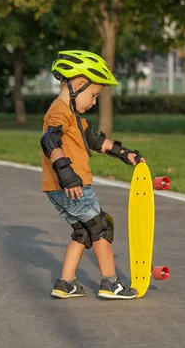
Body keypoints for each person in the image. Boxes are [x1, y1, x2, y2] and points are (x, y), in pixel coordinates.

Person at [41, 50, 146, 300]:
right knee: (101, 228)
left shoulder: (73, 116)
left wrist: (123, 152)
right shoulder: (59, 112)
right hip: (72, 185)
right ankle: (111, 283)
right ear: (78, 84)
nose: (94, 101)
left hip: (60, 188)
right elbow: (49, 141)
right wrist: (67, 175)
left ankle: (65, 283)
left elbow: (94, 139)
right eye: (94, 95)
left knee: (84, 232)